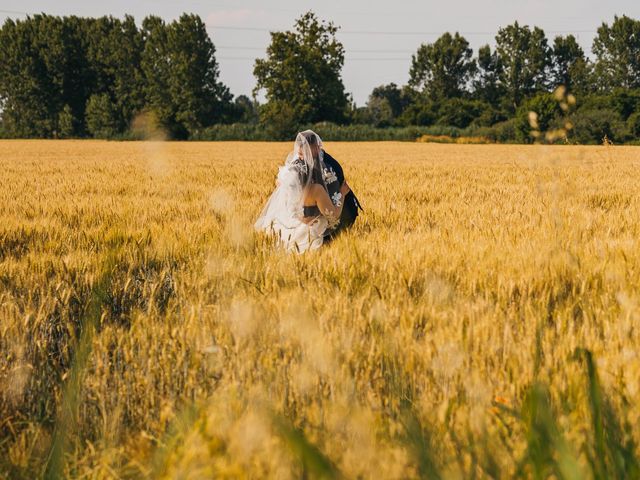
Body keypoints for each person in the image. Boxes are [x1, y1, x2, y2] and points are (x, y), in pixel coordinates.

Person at [254, 130, 352, 253]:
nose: (300, 157)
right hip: (309, 236)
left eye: (301, 154)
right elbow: (333, 216)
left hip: (290, 231)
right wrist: (342, 194)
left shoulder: (288, 184)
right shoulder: (317, 190)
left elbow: (288, 208)